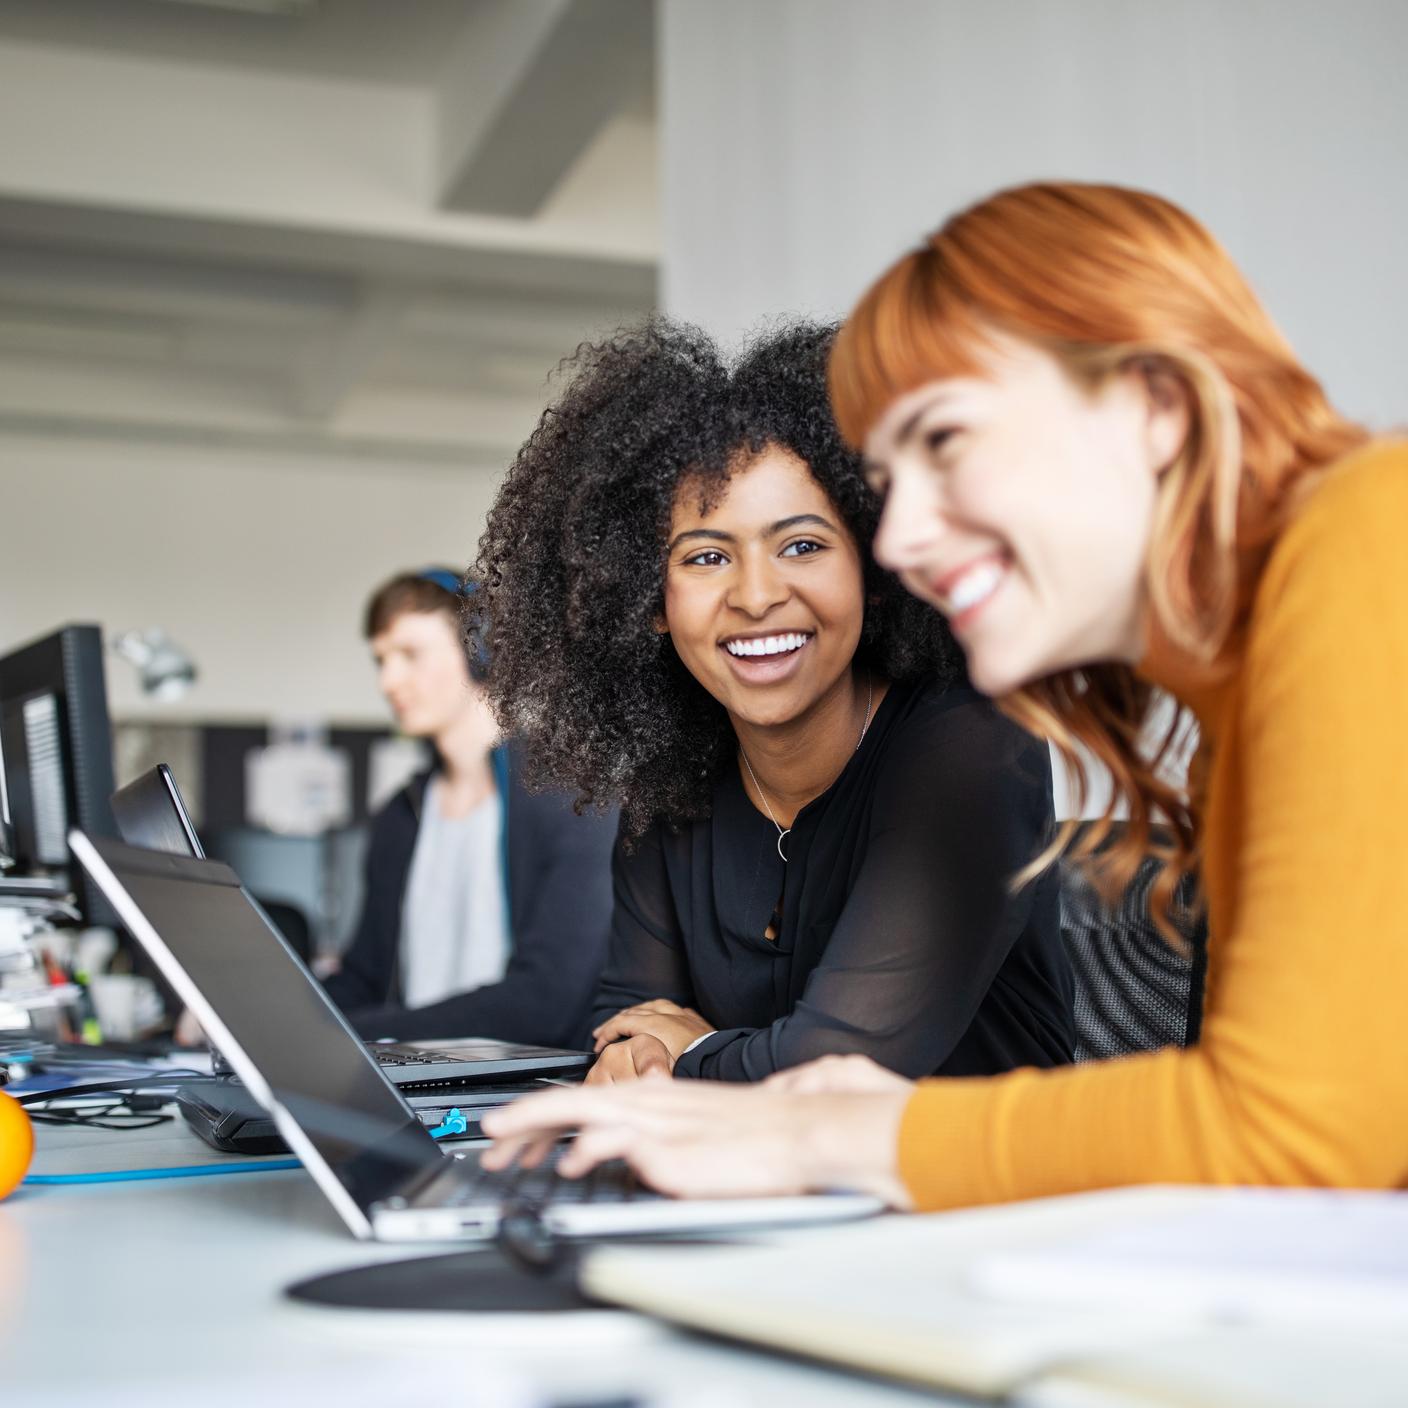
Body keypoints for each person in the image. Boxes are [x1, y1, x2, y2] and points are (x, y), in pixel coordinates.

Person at [481, 181, 1408, 1209]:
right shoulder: (1254, 680)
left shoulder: (1368, 540)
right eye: (890, 476)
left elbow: (1298, 1129)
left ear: (1155, 405)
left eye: (948, 442)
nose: (901, 537)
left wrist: (834, 1132)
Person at [474, 320, 1074, 1088]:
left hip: (979, 1199)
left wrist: (689, 1053)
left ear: (876, 565)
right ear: (649, 601)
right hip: (759, 1194)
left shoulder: (973, 751)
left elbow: (839, 1069)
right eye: (707, 557)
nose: (757, 596)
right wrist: (663, 1057)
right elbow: (625, 1033)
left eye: (802, 546)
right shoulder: (671, 786)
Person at [320, 569, 616, 1048]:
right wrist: (265, 1023)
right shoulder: (402, 815)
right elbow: (363, 979)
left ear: (481, 651)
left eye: (410, 655)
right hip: (409, 1087)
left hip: (524, 1094)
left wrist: (349, 1035)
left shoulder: (570, 799)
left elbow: (546, 1003)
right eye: (381, 660)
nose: (388, 680)